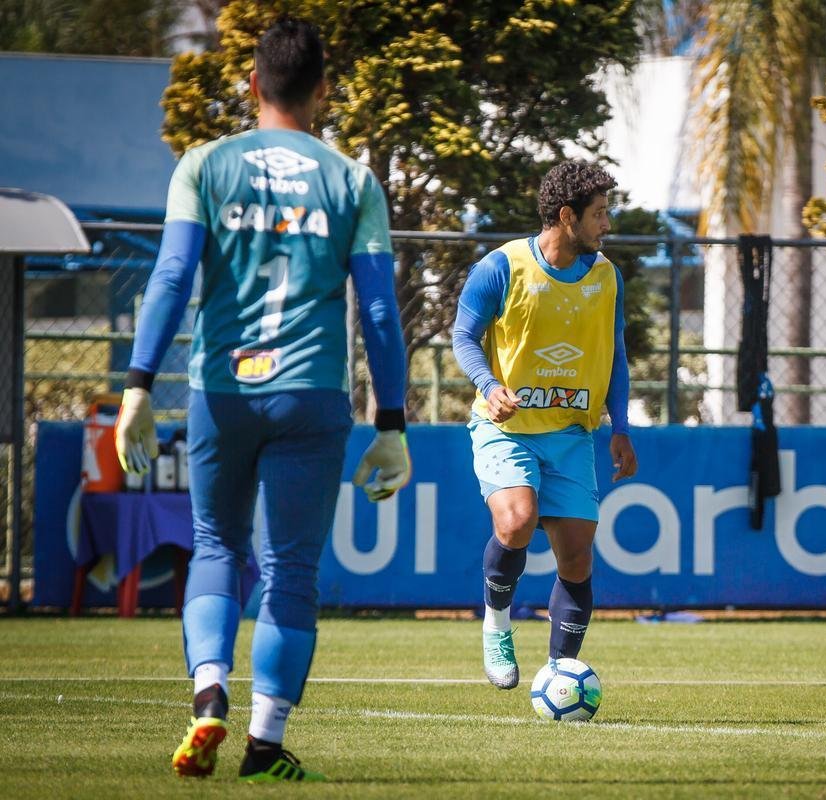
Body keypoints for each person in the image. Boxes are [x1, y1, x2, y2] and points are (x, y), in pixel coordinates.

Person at [114, 17, 412, 782]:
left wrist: (138, 388)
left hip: (222, 390)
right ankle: (265, 745)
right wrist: (392, 424)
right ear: (322, 91)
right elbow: (379, 312)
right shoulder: (351, 180)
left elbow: (173, 279)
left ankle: (207, 693)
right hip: (312, 394)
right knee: (291, 571)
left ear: (252, 84)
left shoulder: (204, 165)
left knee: (217, 547)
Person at [451, 161, 638, 690]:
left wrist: (620, 426)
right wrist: (490, 386)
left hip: (572, 434)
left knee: (577, 554)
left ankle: (560, 673)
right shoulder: (501, 267)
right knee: (516, 521)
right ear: (566, 216)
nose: (606, 224)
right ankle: (496, 625)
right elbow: (463, 336)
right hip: (505, 428)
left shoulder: (607, 276)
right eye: (599, 214)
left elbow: (615, 356)